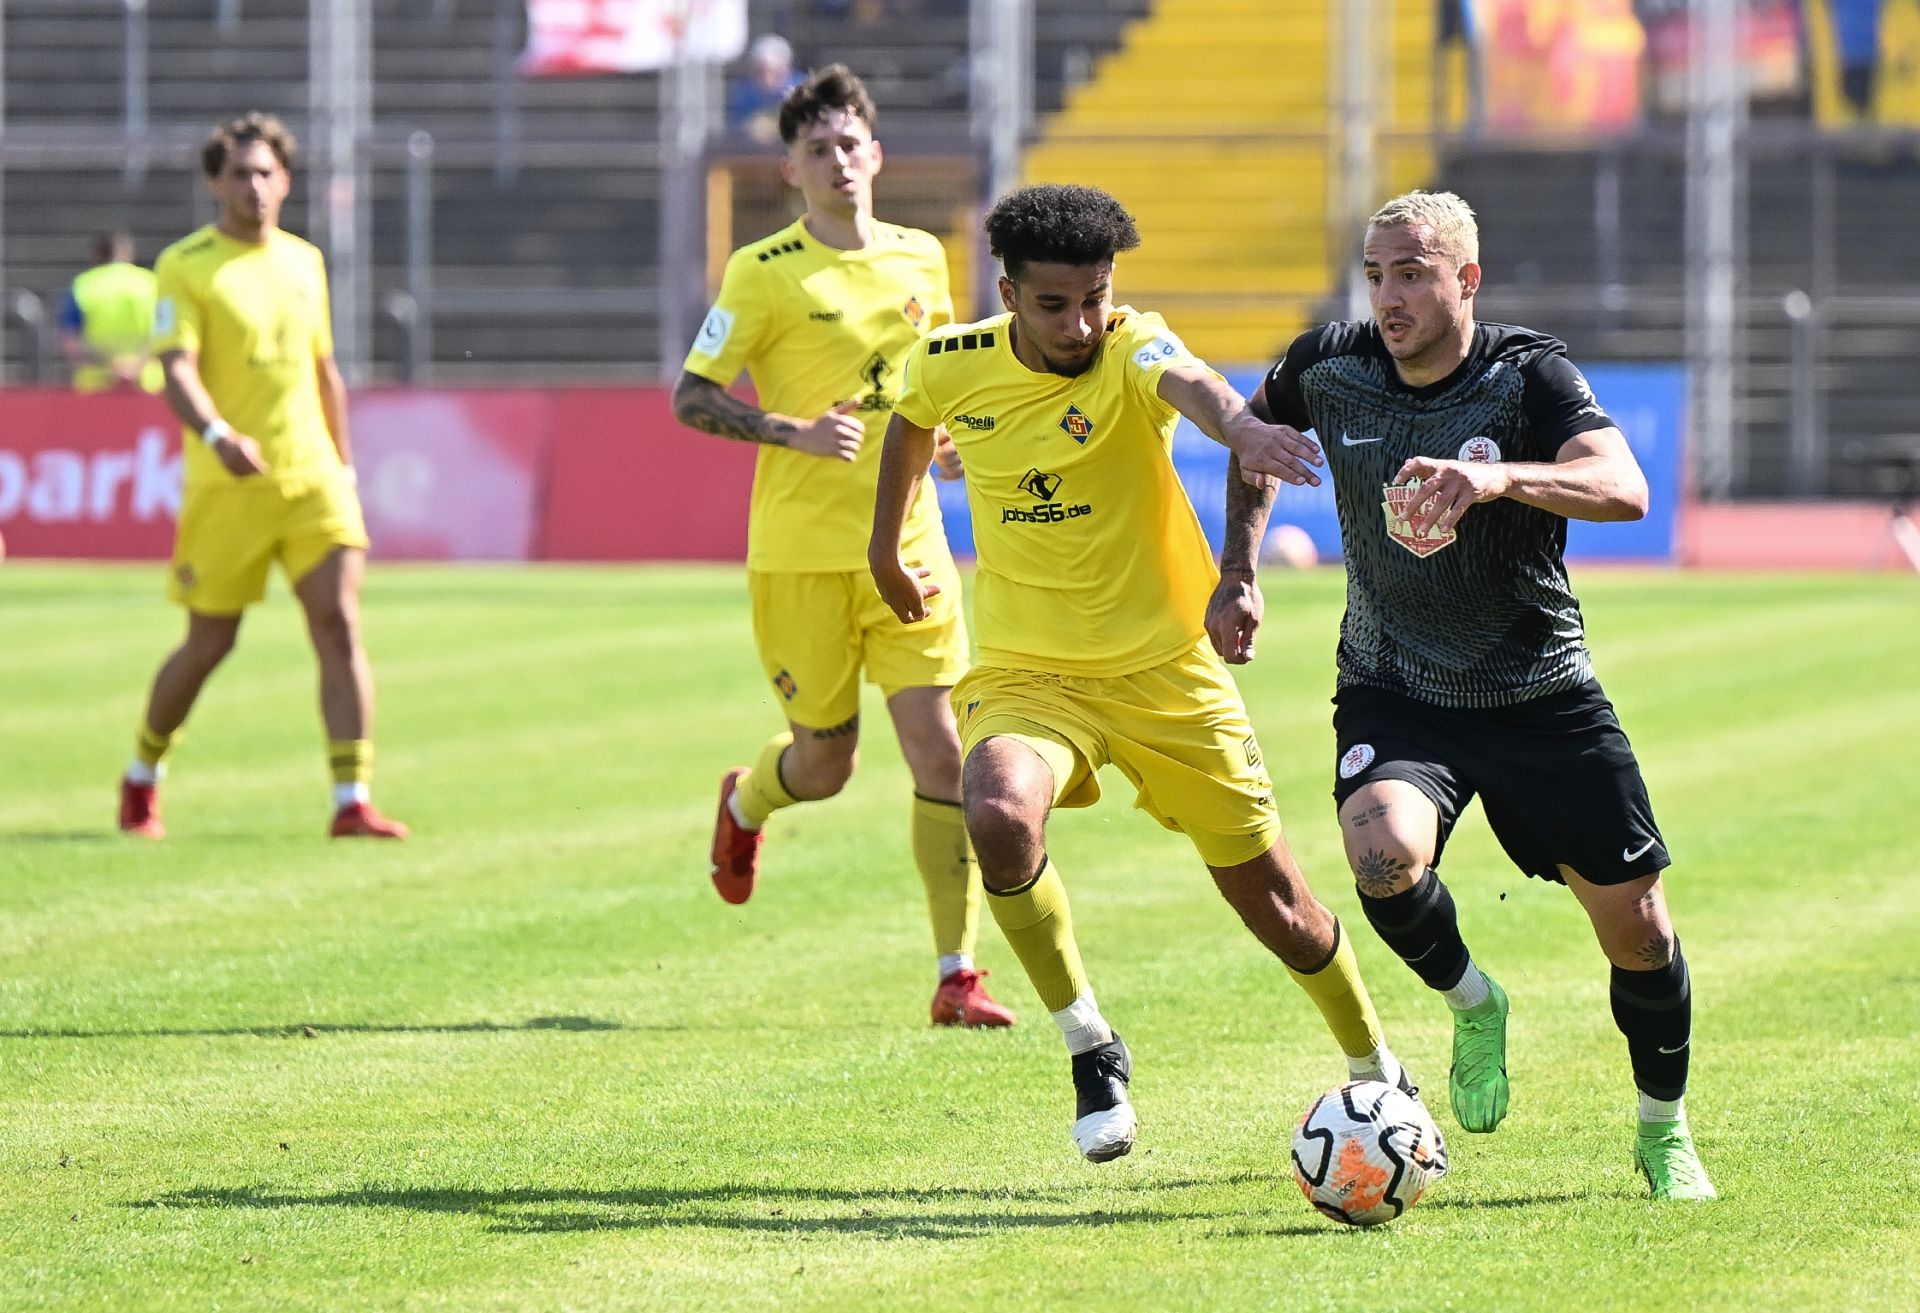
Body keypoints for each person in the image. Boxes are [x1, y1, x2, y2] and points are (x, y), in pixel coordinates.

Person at [870, 182, 1412, 1162]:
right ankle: (1090, 1043)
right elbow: (912, 419)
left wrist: (1244, 431)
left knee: (1280, 908)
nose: (1080, 323)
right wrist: (885, 545)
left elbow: (1194, 385)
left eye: (1096, 297)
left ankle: (1378, 1065)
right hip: (1030, 671)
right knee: (996, 811)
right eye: (1054, 304)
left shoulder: (1131, 343)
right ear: (1008, 293)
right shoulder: (950, 360)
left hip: (1167, 673)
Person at [1228, 189, 1714, 1200]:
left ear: (1467, 279)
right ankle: (1473, 1000)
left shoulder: (1526, 374)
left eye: (1412, 274)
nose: (1388, 297)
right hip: (1396, 686)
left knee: (1641, 932)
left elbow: (1625, 487)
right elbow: (1254, 434)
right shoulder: (1329, 365)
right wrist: (1239, 569)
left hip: (1541, 691)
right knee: (1380, 853)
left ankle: (1662, 1130)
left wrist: (1498, 480)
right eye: (1376, 274)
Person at [674, 65, 1014, 1029]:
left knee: (943, 754)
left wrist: (948, 444)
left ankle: (957, 974)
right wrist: (791, 430)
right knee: (826, 766)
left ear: (877, 154)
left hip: (910, 546)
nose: (837, 162)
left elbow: (939, 386)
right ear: (790, 168)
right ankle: (746, 803)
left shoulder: (922, 260)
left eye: (849, 144)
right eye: (816, 149)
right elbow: (692, 396)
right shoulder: (761, 270)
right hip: (802, 556)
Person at [117, 113, 407, 842]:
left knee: (339, 624)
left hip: (312, 479)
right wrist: (218, 435)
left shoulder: (305, 261)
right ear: (215, 184)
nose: (255, 186)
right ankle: (143, 774)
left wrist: (344, 465)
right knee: (209, 644)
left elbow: (324, 370)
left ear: (286, 181)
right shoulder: (186, 265)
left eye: (267, 172)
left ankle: (352, 799)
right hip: (229, 487)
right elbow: (176, 368)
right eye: (241, 173)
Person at [60, 230, 164, 394]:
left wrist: (112, 366)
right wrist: (135, 365)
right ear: (129, 253)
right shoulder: (153, 283)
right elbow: (169, 334)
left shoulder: (82, 286)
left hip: (96, 387)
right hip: (147, 384)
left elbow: (71, 343)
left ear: (96, 255)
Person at [725, 34, 804, 145]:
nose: (767, 78)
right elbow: (737, 127)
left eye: (774, 72)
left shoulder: (804, 89)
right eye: (761, 71)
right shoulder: (744, 94)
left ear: (786, 69)